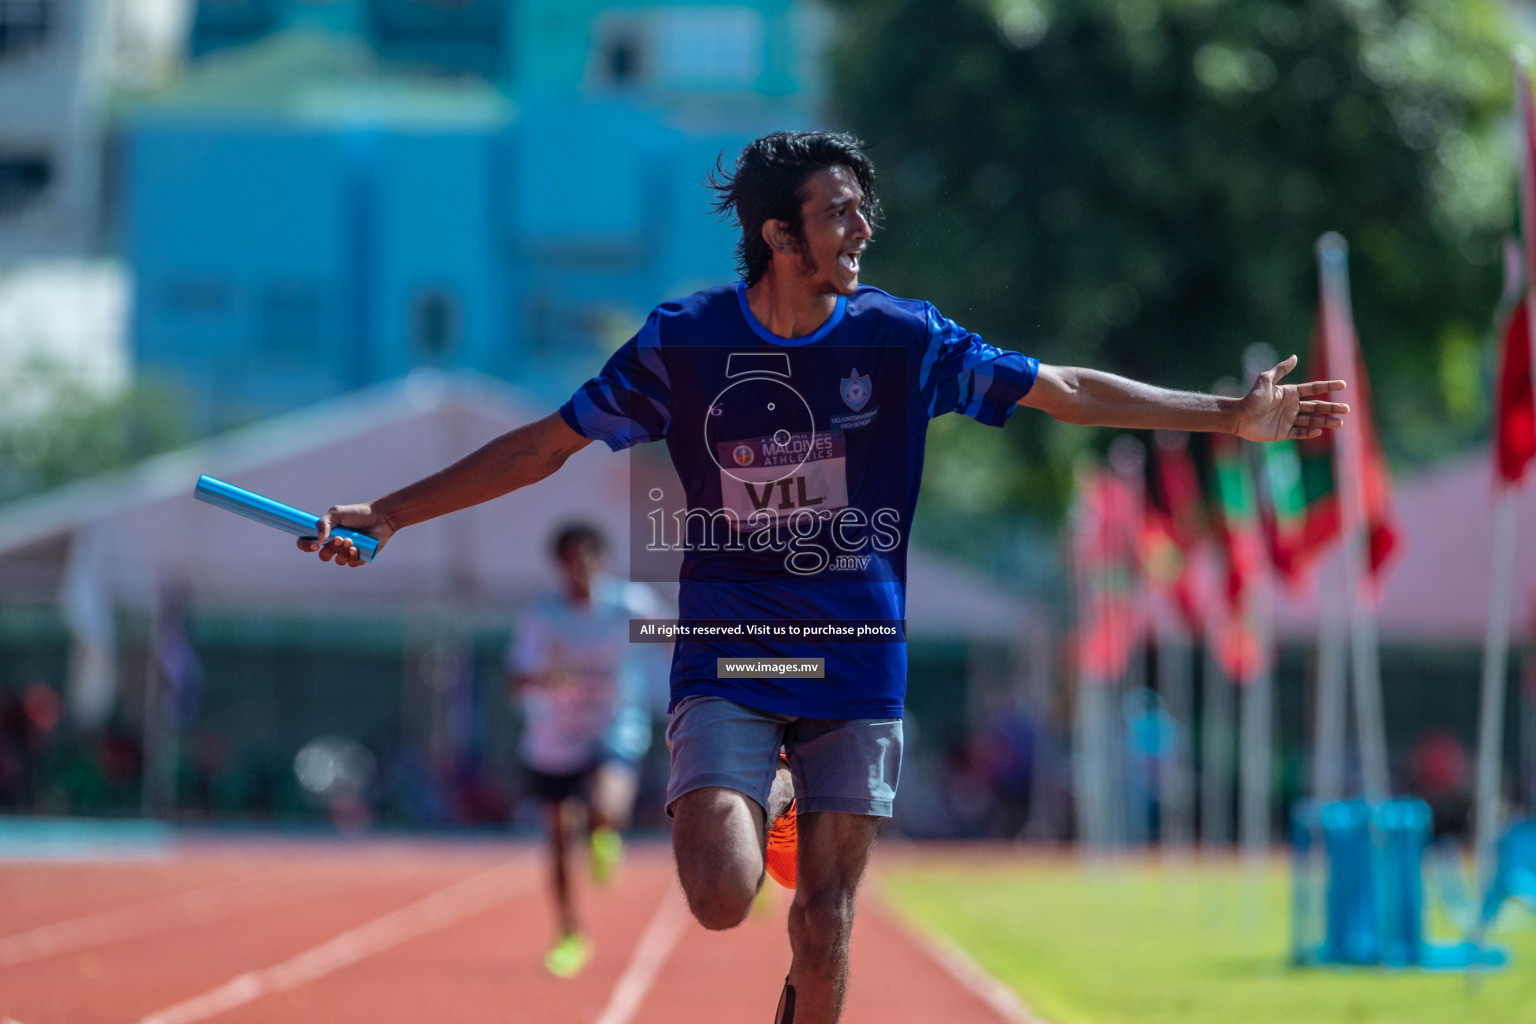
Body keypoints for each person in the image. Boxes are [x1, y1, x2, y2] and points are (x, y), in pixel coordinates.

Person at [298, 131, 1348, 1024]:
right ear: (776, 234)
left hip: (855, 660)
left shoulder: (902, 338)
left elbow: (1062, 389)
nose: (861, 231)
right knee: (720, 894)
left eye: (862, 212)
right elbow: (543, 445)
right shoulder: (684, 342)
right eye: (838, 213)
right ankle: (776, 793)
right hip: (729, 656)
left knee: (824, 920)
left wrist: (1227, 417)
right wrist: (386, 513)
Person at [509, 522, 666, 978]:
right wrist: (544, 678)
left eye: (588, 557)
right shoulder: (544, 615)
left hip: (615, 726)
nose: (581, 568)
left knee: (606, 801)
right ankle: (570, 933)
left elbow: (675, 636)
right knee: (558, 840)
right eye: (571, 560)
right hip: (554, 737)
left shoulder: (627, 605)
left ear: (603, 560)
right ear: (559, 566)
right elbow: (516, 679)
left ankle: (605, 831)